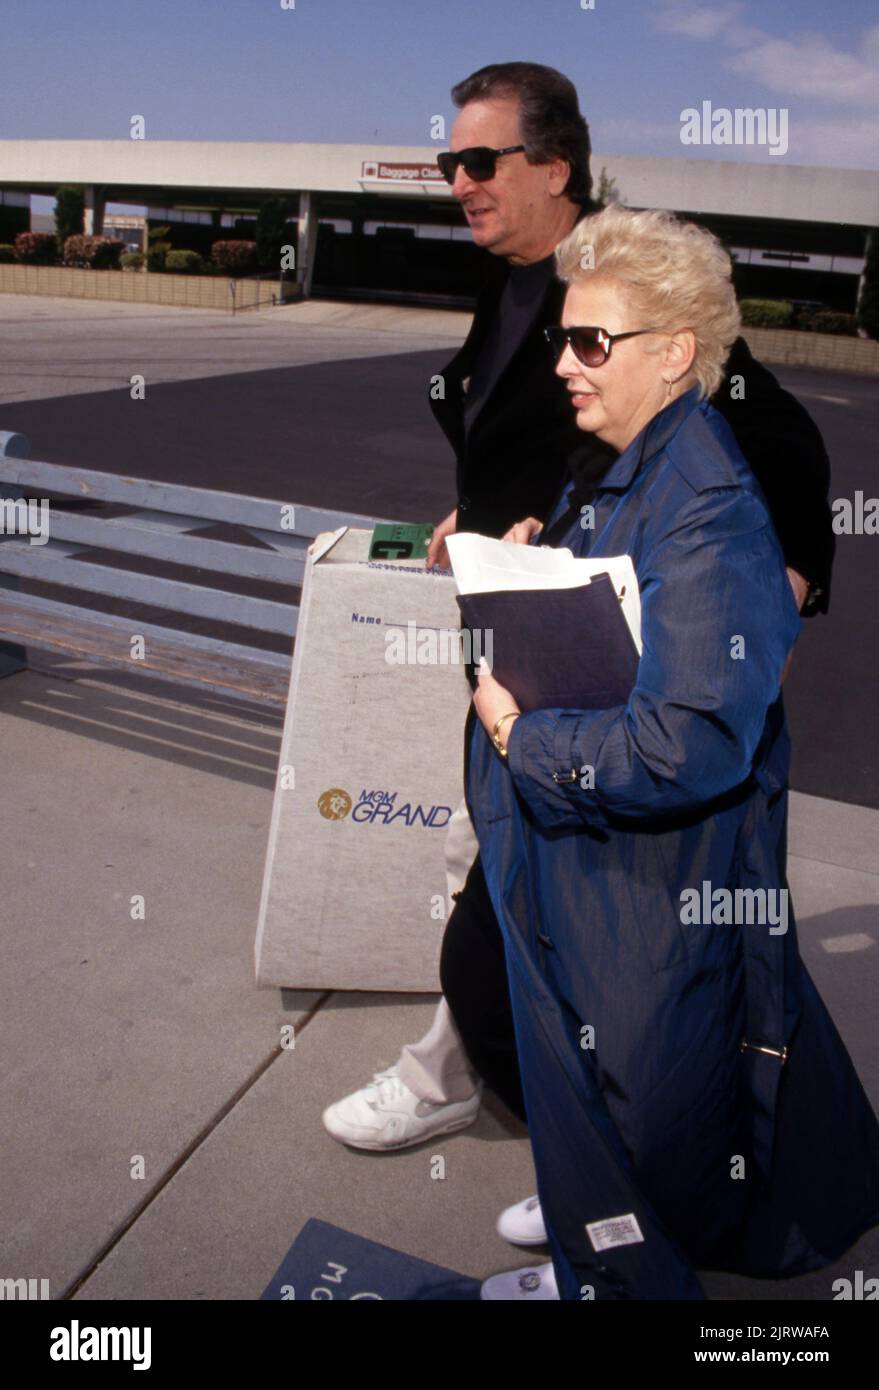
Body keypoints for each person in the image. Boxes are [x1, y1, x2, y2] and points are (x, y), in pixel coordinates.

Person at [322, 63, 835, 1209]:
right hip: (528, 632)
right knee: (499, 887)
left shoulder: (629, 284)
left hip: (597, 697)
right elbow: (522, 439)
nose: (458, 182)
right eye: (449, 161)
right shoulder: (514, 285)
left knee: (518, 917)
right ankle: (551, 1126)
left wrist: (789, 573)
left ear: (553, 167)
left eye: (479, 160)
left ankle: (546, 1132)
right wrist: (486, 516)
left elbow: (767, 431)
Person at [451, 203, 879, 1301]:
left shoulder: (711, 516)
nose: (563, 363)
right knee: (597, 1080)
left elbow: (682, 747)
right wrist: (537, 567)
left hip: (646, 883)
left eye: (590, 341)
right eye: (563, 337)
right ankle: (594, 1218)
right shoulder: (627, 462)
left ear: (676, 353)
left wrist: (518, 733)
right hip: (600, 868)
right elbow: (626, 614)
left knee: (645, 1099)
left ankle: (616, 1261)